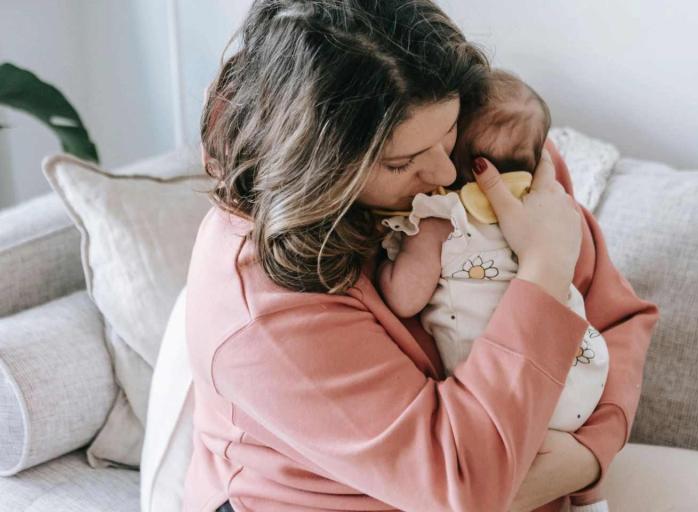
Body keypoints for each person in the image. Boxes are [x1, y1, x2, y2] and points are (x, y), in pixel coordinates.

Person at [183, 1, 660, 511]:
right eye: (401, 162)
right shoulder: (262, 303)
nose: (442, 174)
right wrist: (544, 269)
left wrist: (591, 453)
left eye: (448, 130)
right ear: (317, 167)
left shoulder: (492, 158)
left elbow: (619, 318)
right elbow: (462, 481)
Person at [375, 69, 611, 510]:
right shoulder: (547, 205)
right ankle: (591, 499)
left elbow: (404, 298)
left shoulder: (438, 217)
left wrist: (388, 264)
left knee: (522, 453)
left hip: (506, 390)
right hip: (585, 368)